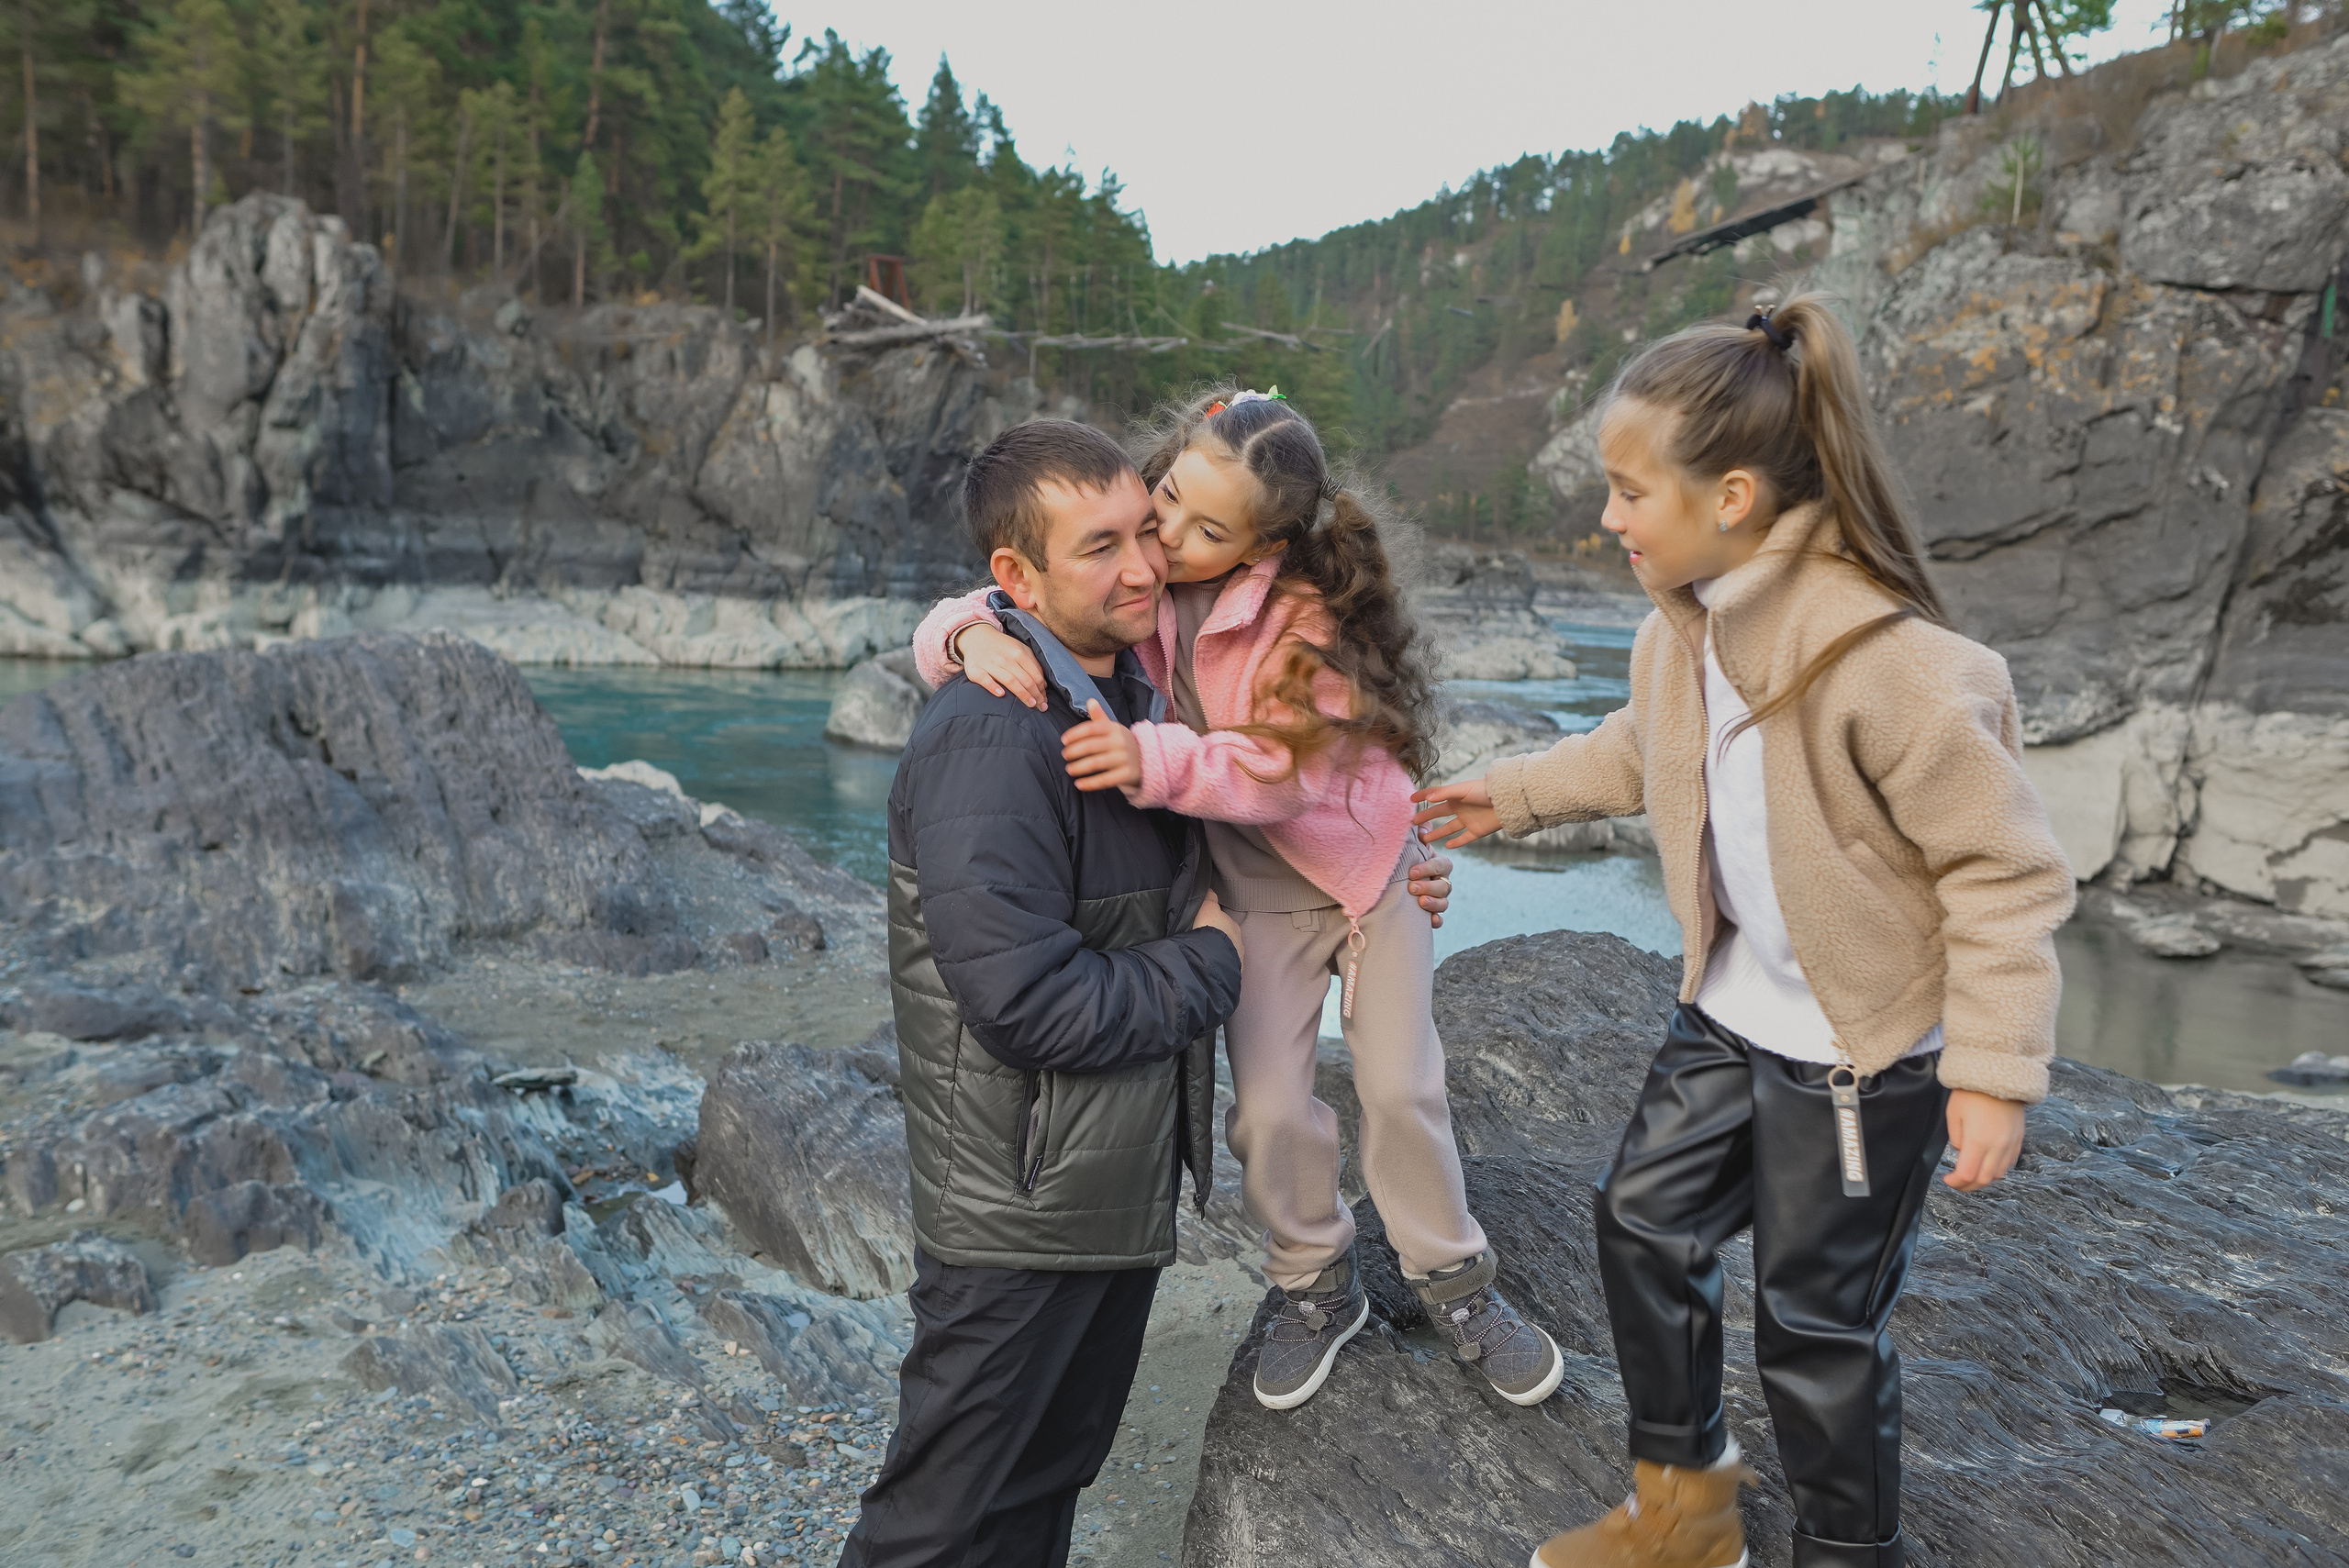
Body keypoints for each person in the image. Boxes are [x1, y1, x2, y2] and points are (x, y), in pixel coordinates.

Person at [1410, 295, 2076, 1568]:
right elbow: (1646, 752)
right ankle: (1686, 1512)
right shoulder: (1687, 632)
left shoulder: (1895, 667)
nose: (1606, 519)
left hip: (1865, 1058)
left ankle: (1846, 1554)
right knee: (1645, 1225)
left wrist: (1994, 1069)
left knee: (1817, 1325)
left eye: (1626, 491)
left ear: (1729, 497)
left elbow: (2004, 873)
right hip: (1727, 1016)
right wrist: (1517, 790)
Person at [848, 417, 1451, 1566]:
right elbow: (1025, 1001)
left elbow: (1299, 772)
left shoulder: (1133, 688)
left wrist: (1394, 853)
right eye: (1101, 546)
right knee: (939, 1522)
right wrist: (1216, 960)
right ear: (1015, 577)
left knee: (1037, 1493)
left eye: (1150, 526)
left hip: (1102, 1198)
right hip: (1018, 1215)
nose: (1144, 562)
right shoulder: (993, 735)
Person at [911, 387, 1562, 1414]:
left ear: (1264, 543)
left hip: (1368, 878)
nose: (1167, 535)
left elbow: (1281, 774)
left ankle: (1458, 1282)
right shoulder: (1136, 590)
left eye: (1205, 529)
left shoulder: (1307, 618)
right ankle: (1314, 1281)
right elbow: (1006, 595)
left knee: (1400, 1088)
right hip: (1251, 892)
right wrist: (959, 639)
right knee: (1264, 1114)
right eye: (1166, 498)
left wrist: (1148, 756)